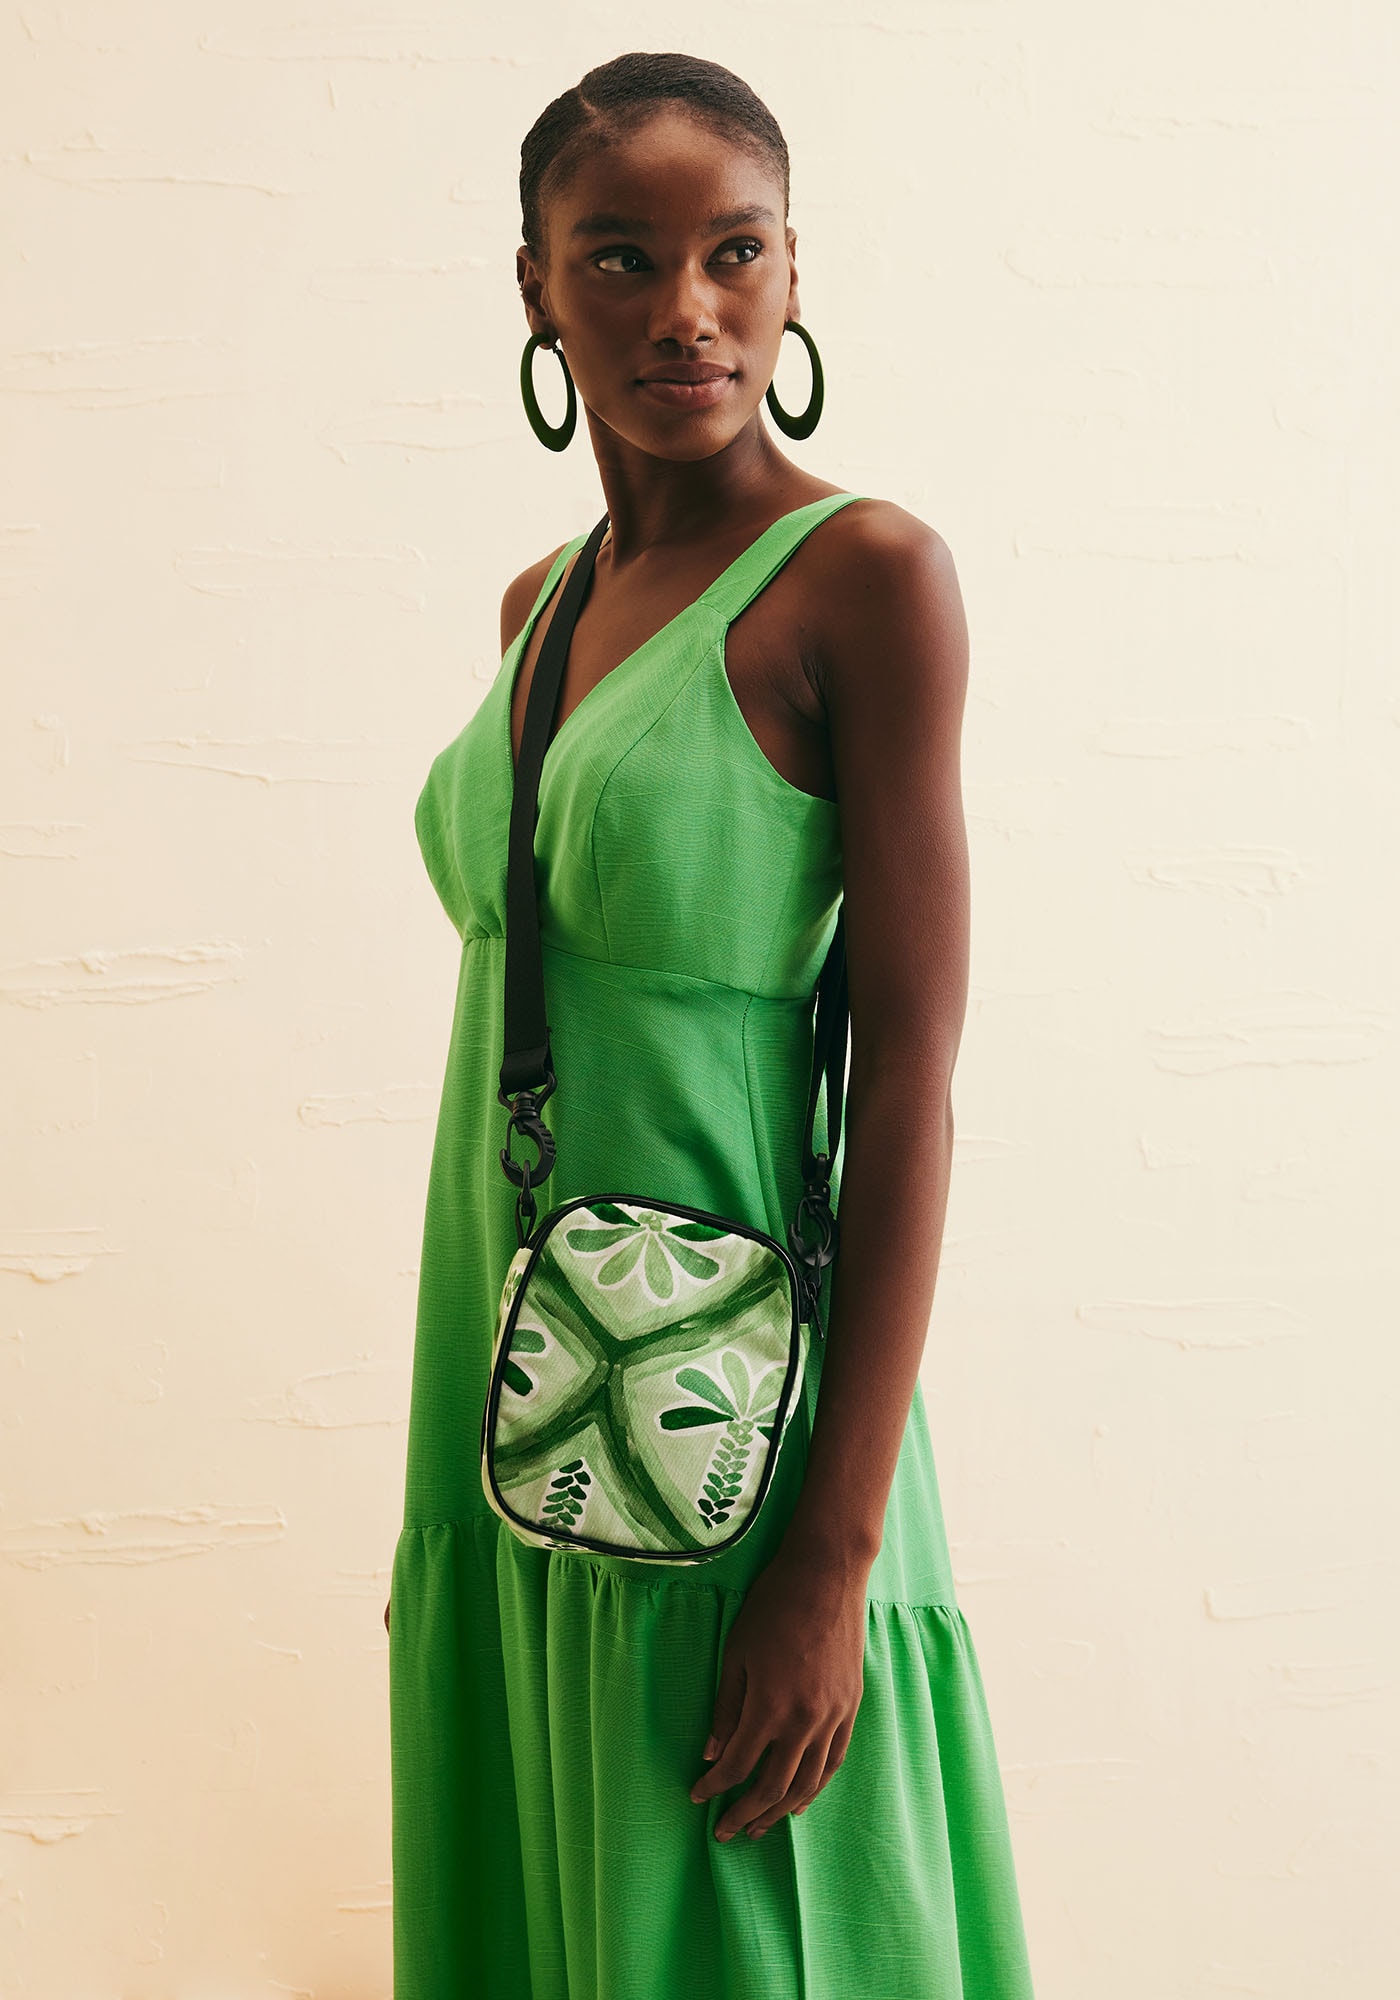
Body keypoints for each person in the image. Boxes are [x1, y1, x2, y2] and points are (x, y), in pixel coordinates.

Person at [385, 48, 1036, 2000]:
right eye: (621, 258)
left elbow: (908, 1079)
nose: (686, 309)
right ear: (535, 288)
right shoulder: (539, 603)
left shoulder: (865, 581)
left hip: (726, 1376)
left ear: (792, 272)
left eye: (733, 254)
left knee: (757, 1923)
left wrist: (831, 1556)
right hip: (517, 1351)